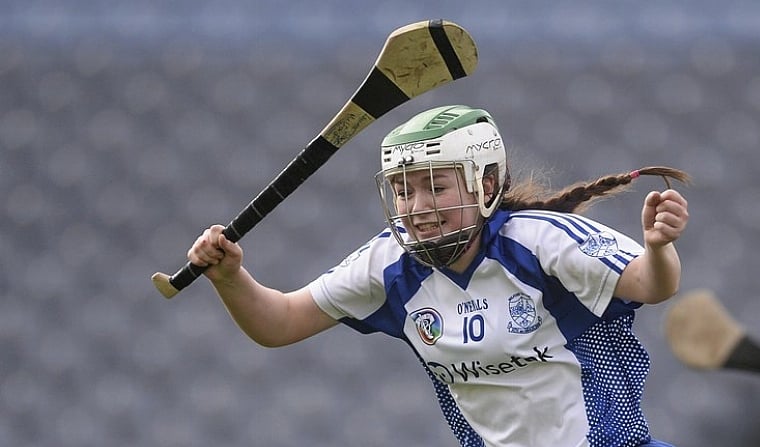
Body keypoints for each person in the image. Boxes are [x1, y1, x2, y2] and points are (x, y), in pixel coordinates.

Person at [187, 105, 690, 447]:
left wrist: (657, 247)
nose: (417, 207)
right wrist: (230, 277)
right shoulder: (387, 266)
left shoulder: (540, 242)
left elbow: (651, 285)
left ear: (485, 181)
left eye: (435, 187)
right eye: (403, 191)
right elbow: (280, 322)